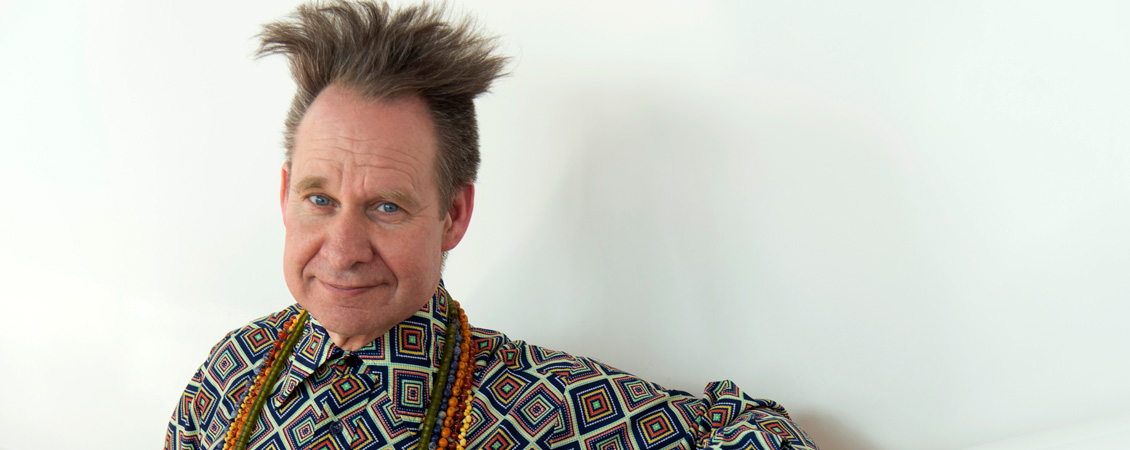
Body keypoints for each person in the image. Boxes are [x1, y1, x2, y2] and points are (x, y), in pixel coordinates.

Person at [165, 2, 819, 449]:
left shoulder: (536, 405)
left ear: (454, 215)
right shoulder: (230, 372)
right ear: (285, 196)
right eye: (320, 199)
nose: (342, 250)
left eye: (386, 206)